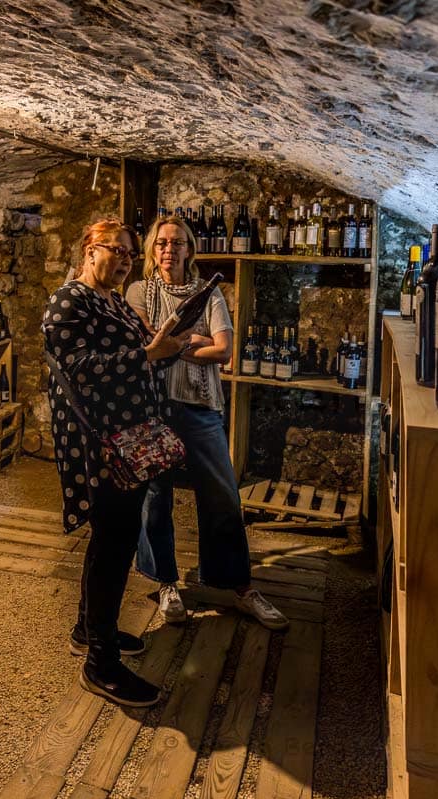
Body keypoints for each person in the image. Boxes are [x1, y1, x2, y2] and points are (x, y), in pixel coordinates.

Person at [43, 218, 190, 708]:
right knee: (114, 541)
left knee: (114, 537)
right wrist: (147, 354)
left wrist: (169, 347)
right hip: (100, 441)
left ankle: (89, 629)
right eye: (117, 250)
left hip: (128, 435)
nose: (126, 259)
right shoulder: (71, 299)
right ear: (89, 250)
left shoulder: (112, 302)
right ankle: (101, 664)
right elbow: (76, 366)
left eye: (131, 253)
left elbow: (138, 356)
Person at [125, 214, 288, 631]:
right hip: (154, 407)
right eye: (161, 243)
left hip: (200, 405)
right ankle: (165, 582)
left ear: (189, 250)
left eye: (177, 243)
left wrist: (173, 347)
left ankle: (239, 586)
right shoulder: (138, 291)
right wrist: (192, 342)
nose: (169, 249)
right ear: (152, 249)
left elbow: (224, 351)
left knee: (222, 495)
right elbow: (146, 345)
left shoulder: (208, 293)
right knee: (155, 498)